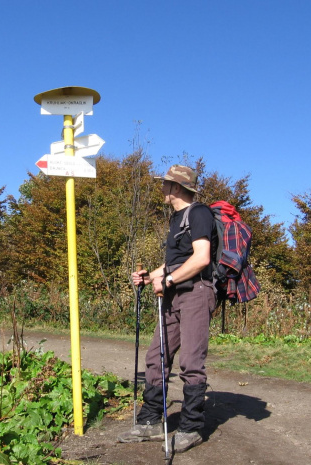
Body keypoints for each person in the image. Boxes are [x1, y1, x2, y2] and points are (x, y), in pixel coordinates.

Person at [117, 164, 217, 453]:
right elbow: (176, 260)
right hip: (174, 294)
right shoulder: (177, 219)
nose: (161, 188)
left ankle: (191, 427)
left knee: (190, 361)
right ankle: (149, 422)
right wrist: (152, 276)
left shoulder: (199, 213)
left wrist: (168, 279)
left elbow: (201, 259)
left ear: (176, 187)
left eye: (164, 184)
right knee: (156, 356)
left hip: (196, 292)